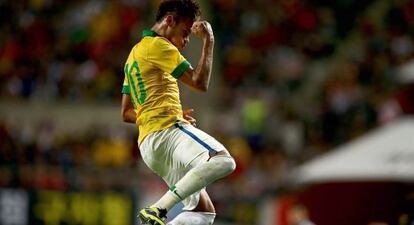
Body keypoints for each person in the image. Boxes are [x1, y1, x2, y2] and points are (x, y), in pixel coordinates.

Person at [120, 0, 236, 225]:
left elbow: (126, 112)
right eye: (185, 33)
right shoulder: (158, 46)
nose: (185, 42)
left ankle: (160, 211)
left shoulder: (133, 56)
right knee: (223, 160)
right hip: (167, 133)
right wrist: (209, 41)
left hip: (149, 146)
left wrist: (159, 112)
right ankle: (159, 208)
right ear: (169, 21)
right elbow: (198, 82)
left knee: (203, 213)